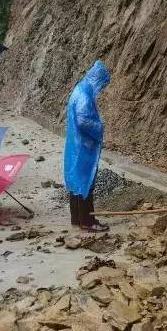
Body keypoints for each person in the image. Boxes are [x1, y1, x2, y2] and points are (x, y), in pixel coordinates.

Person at [64, 60, 112, 233]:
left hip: (75, 146)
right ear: (97, 79)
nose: (101, 89)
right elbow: (83, 120)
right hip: (84, 146)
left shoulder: (79, 90)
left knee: (76, 181)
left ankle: (77, 218)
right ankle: (88, 220)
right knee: (86, 182)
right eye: (102, 84)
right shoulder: (85, 95)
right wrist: (100, 127)